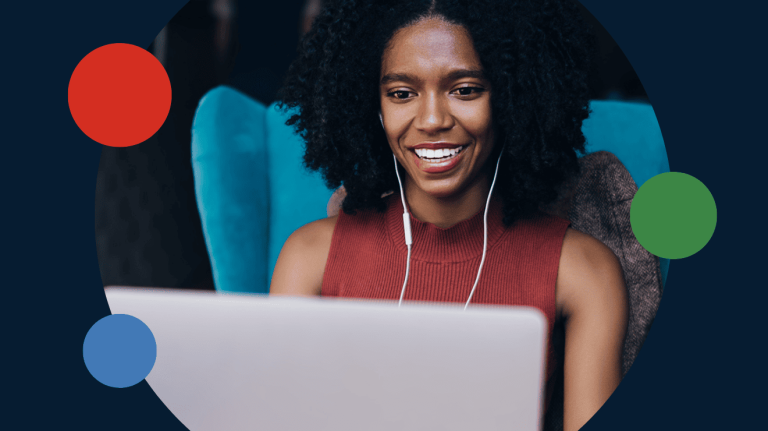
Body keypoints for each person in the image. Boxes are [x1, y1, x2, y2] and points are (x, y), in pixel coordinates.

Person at [270, 1, 628, 430]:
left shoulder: (583, 270)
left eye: (466, 90)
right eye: (402, 94)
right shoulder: (309, 257)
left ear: (512, 97)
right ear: (375, 107)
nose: (433, 120)